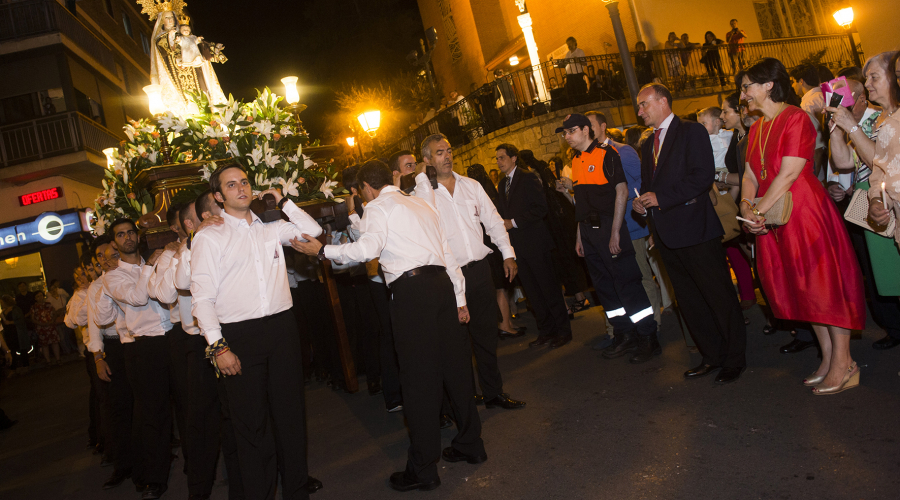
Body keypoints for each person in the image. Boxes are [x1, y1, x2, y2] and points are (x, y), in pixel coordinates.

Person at [291, 160, 485, 492]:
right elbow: (447, 253)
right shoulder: (420, 203)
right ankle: (471, 445)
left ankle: (423, 469)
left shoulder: (380, 206)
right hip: (441, 287)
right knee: (456, 369)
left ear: (366, 187)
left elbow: (367, 249)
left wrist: (322, 250)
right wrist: (459, 298)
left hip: (412, 294)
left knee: (418, 381)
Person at [190, 163, 322, 499]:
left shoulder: (270, 228)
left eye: (245, 182)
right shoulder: (208, 237)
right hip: (239, 337)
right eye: (231, 185)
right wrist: (218, 347)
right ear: (218, 196)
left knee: (291, 417)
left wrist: (282, 201)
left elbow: (313, 230)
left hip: (282, 330)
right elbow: (202, 299)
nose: (241, 189)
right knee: (252, 428)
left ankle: (297, 491)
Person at [738, 58, 865, 395]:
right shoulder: (756, 128)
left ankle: (845, 362)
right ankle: (828, 358)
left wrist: (758, 210)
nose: (743, 94)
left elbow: (790, 172)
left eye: (747, 86)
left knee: (823, 284)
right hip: (773, 214)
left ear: (768, 85)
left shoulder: (795, 118)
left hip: (803, 211)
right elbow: (751, 175)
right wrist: (745, 205)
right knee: (803, 288)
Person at [633, 83, 747, 384]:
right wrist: (643, 204)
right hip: (667, 235)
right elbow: (651, 188)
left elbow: (702, 177)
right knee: (690, 302)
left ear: (663, 101)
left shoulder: (691, 131)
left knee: (717, 295)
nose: (640, 111)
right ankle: (711, 356)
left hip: (696, 230)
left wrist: (662, 198)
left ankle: (735, 358)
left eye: (644, 104)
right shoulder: (647, 144)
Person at [418, 134, 525, 409]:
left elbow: (493, 222)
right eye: (439, 152)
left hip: (479, 272)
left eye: (449, 150)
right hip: (447, 279)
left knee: (486, 335)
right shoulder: (423, 196)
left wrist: (508, 254)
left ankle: (493, 392)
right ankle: (464, 398)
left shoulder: (471, 185)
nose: (447, 156)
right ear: (427, 160)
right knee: (456, 344)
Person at [560, 113, 660, 363]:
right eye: (564, 133)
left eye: (571, 131)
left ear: (586, 129)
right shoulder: (576, 160)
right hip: (588, 231)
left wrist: (616, 231)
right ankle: (624, 334)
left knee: (628, 283)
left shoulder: (607, 154)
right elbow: (581, 204)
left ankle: (648, 337)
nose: (567, 137)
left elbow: (622, 191)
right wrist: (579, 236)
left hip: (609, 228)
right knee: (604, 287)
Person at [826, 66, 900, 351]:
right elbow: (844, 164)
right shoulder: (852, 123)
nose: (870, 85)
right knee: (880, 270)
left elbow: (877, 163)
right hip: (870, 200)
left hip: (887, 198)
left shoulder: (879, 120)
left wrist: (851, 126)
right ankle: (893, 327)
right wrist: (834, 128)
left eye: (874, 79)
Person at [102, 218, 174, 499]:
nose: (128, 237)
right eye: (121, 235)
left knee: (188, 404)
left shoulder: (155, 261)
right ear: (114, 243)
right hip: (143, 348)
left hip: (171, 338)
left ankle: (195, 466)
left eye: (131, 232)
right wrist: (148, 267)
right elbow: (137, 298)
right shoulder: (112, 276)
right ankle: (154, 478)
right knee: (152, 414)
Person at [587, 113, 665, 349]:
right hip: (608, 228)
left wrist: (645, 218)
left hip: (631, 224)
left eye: (589, 126)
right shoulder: (589, 157)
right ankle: (623, 330)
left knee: (641, 275)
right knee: (617, 280)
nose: (586, 130)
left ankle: (654, 325)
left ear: (603, 126)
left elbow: (643, 184)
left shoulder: (624, 151)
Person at [495, 143, 573, 348]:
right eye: (497, 159)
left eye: (502, 157)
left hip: (537, 244)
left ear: (513, 158)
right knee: (533, 293)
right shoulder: (503, 184)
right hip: (519, 248)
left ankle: (563, 331)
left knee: (549, 289)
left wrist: (514, 222)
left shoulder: (527, 177)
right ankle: (546, 331)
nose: (498, 162)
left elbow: (541, 208)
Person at [866, 51, 900, 253]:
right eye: (899, 74)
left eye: (874, 77)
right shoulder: (891, 126)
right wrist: (877, 199)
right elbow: (879, 173)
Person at [31, 291, 61, 365]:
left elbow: (54, 313)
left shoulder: (48, 304)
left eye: (41, 295)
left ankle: (58, 359)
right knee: (44, 345)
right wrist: (40, 323)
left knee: (55, 342)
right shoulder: (34, 307)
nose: (40, 297)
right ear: (35, 298)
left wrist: (52, 320)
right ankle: (48, 361)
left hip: (51, 326)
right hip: (41, 328)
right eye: (38, 296)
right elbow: (33, 318)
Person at [47, 279, 75, 355]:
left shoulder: (62, 297)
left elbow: (67, 304)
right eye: (51, 290)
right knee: (61, 337)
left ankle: (71, 349)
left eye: (54, 289)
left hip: (65, 318)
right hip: (57, 320)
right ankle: (66, 350)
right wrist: (56, 312)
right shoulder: (48, 300)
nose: (53, 291)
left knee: (68, 335)